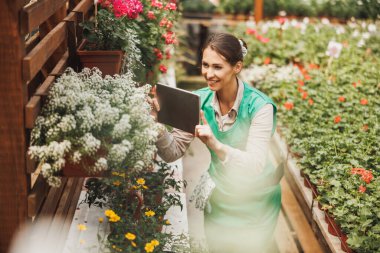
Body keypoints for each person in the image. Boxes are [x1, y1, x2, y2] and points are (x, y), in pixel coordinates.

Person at [149, 33, 282, 253]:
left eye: (217, 67)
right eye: (205, 65)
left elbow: (255, 165)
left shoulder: (260, 108)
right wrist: (156, 126)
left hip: (257, 199)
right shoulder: (197, 100)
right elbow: (172, 152)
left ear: (237, 67)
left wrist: (215, 144)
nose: (208, 74)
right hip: (220, 197)